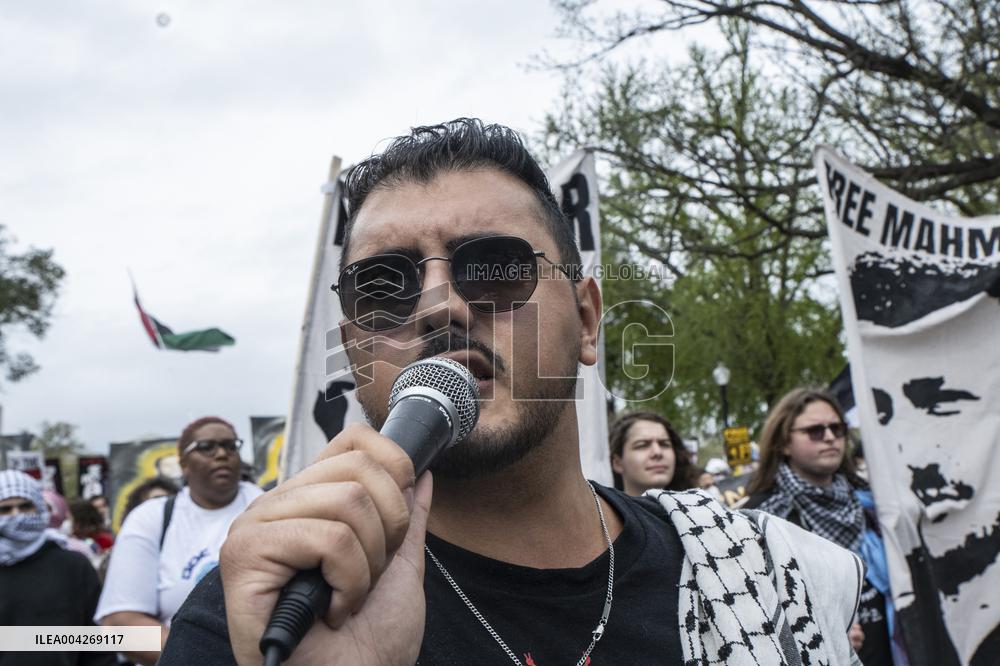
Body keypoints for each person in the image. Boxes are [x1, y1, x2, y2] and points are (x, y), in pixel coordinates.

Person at [161, 119, 863, 665]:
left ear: (586, 321)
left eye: (494, 267)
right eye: (383, 286)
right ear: (353, 347)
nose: (438, 305)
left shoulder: (762, 577)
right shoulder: (263, 614)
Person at [743, 387, 902, 665]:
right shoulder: (758, 520)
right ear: (784, 443)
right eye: (815, 431)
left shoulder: (872, 504)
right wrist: (819, 634)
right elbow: (751, 616)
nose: (830, 437)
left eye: (837, 429)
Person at [96, 416, 263, 665]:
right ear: (184, 463)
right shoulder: (150, 518)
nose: (221, 454)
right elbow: (120, 624)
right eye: (206, 447)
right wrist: (200, 658)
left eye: (230, 446)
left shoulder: (272, 507)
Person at [0, 470, 115, 666]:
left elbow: (96, 642)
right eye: (5, 509)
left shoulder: (73, 566)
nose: (16, 515)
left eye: (25, 506)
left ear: (39, 508)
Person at [608, 411, 692, 495]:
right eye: (642, 445)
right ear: (617, 463)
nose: (658, 452)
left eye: (664, 444)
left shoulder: (696, 502)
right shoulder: (602, 503)